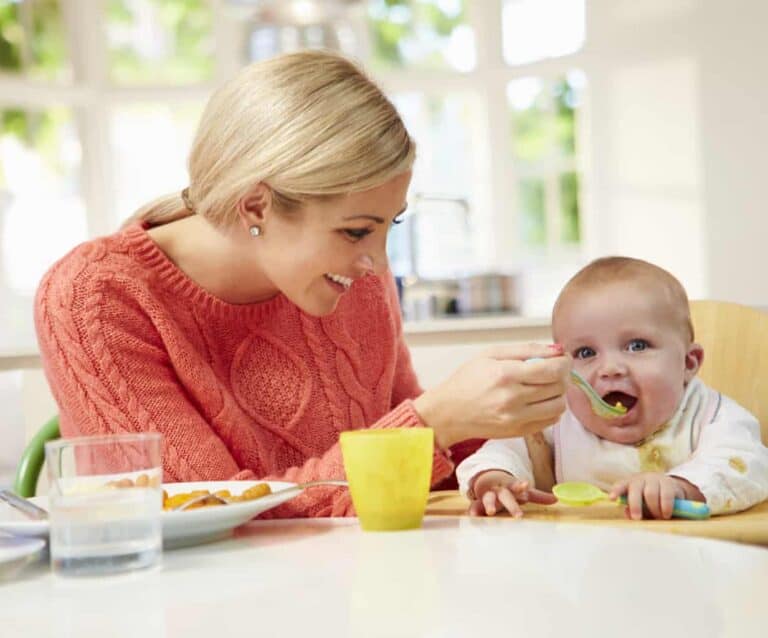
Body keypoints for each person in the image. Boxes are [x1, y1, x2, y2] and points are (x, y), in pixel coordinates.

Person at [34, 50, 571, 518]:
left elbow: (419, 469)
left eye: (389, 225)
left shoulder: (348, 279)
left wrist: (512, 443)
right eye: (357, 230)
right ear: (256, 206)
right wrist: (433, 424)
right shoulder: (94, 299)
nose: (377, 264)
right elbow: (204, 512)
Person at [457, 257, 768, 520]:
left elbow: (746, 463)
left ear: (688, 363)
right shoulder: (557, 419)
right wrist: (495, 480)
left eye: (637, 345)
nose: (610, 368)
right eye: (585, 353)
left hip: (690, 560)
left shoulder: (712, 415)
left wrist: (682, 486)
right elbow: (500, 451)